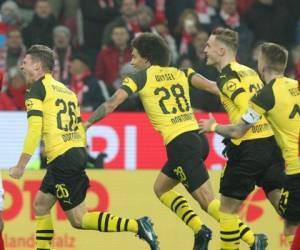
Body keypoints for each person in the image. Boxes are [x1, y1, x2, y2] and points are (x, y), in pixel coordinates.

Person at [84, 32, 258, 250]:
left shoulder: (140, 78)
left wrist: (88, 123)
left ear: (147, 59)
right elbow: (216, 87)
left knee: (208, 203)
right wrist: (248, 105)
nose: (131, 61)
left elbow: (111, 103)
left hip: (180, 144)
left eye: (135, 56)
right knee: (161, 188)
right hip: (197, 138)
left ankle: (252, 239)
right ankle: (200, 230)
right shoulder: (182, 73)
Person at [8, 45, 159, 250]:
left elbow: (34, 129)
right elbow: (78, 127)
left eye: (25, 62)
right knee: (41, 205)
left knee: (79, 219)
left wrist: (21, 165)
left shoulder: (37, 89)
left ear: (37, 65)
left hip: (63, 158)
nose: (22, 67)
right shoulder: (67, 91)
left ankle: (138, 225)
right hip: (70, 153)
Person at [200, 42, 300, 247]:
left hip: (290, 165)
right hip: (277, 156)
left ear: (262, 66)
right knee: (290, 220)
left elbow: (238, 131)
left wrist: (214, 126)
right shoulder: (294, 85)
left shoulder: (265, 95)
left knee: (227, 208)